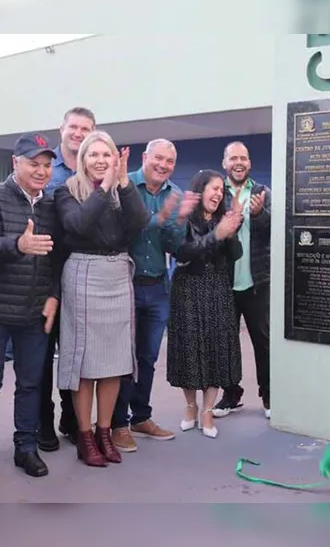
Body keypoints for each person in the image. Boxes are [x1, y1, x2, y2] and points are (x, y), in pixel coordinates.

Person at [0, 133, 63, 490]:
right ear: (15, 163)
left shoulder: (51, 205)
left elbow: (57, 258)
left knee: (31, 384)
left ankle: (26, 447)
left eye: (46, 165)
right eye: (33, 163)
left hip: (35, 313)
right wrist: (18, 244)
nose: (41, 171)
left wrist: (54, 295)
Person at [55, 131, 149, 468]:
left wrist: (123, 183)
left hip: (117, 276)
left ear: (115, 159)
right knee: (84, 362)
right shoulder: (67, 191)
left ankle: (105, 431)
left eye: (106, 155)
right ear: (82, 160)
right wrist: (105, 187)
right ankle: (84, 435)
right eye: (93, 155)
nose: (100, 160)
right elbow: (78, 225)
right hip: (83, 273)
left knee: (113, 361)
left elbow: (140, 222)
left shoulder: (123, 189)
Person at [110, 138, 198, 453]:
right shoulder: (124, 185)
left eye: (169, 162)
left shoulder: (174, 194)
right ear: (145, 157)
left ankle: (141, 417)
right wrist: (160, 220)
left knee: (148, 358)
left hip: (157, 287)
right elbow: (125, 230)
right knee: (122, 360)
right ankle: (117, 424)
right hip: (124, 284)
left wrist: (180, 220)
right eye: (158, 158)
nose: (163, 166)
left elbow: (174, 245)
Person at [168, 170, 244, 438]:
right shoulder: (185, 218)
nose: (218, 194)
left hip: (218, 289)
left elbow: (236, 255)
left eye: (222, 190)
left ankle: (207, 410)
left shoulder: (225, 219)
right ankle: (190, 406)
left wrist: (231, 231)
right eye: (214, 189)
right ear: (201, 191)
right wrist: (216, 234)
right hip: (188, 289)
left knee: (215, 351)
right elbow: (183, 252)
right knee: (190, 351)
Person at [38, 106, 96, 451]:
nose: (78, 133)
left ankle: (71, 420)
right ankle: (43, 423)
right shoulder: (48, 169)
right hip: (46, 276)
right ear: (62, 128)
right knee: (43, 356)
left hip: (82, 277)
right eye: (73, 126)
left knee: (75, 354)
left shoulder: (95, 169)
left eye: (85, 128)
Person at [213, 142, 272, 419]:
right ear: (224, 163)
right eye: (233, 158)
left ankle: (270, 395)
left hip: (257, 281)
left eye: (243, 158)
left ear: (249, 163)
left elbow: (272, 231)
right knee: (227, 341)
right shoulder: (215, 192)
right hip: (224, 281)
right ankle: (231, 394)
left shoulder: (262, 192)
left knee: (263, 341)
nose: (239, 162)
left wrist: (259, 215)